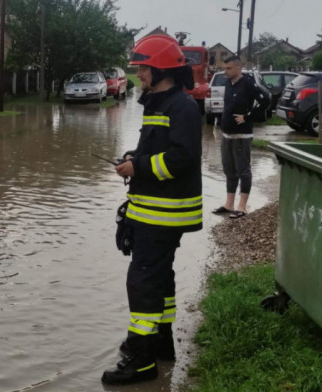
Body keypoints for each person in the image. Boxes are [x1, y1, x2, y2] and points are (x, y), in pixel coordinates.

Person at [102, 35, 203, 385]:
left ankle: (141, 360)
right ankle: (160, 343)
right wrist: (134, 158)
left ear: (161, 69)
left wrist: (139, 169)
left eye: (143, 68)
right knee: (159, 277)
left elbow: (183, 159)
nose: (140, 74)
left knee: (143, 280)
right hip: (153, 211)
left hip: (164, 213)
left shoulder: (182, 107)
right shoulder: (159, 104)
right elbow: (157, 149)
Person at [213, 56, 270, 219]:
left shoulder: (248, 83)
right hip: (227, 134)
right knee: (229, 169)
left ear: (239, 68)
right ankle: (229, 204)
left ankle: (242, 207)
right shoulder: (228, 83)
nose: (226, 71)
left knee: (243, 170)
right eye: (225, 68)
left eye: (229, 68)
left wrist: (248, 116)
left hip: (242, 135)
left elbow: (265, 100)